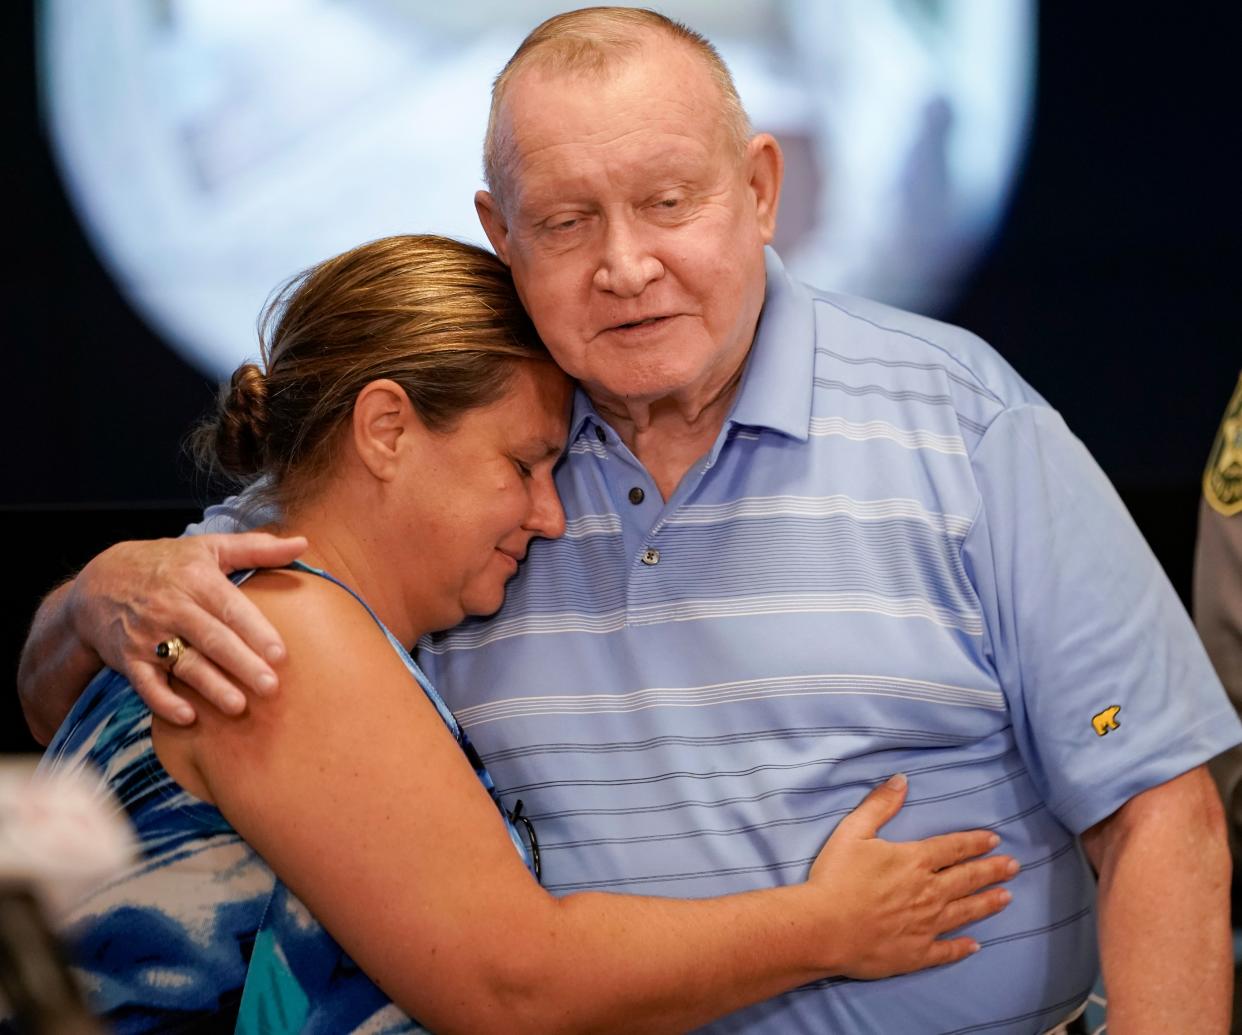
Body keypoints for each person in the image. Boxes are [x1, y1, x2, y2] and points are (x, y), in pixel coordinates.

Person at [18, 8, 1238, 1033]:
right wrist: (97, 591)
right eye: (565, 222)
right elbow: (112, 678)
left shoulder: (964, 423)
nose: (626, 265)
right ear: (500, 234)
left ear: (761, 190)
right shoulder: (434, 471)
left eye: (668, 202)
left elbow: (1159, 816)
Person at [21, 234, 1016, 1034]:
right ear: (386, 431)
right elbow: (513, 989)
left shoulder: (265, 607)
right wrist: (829, 924)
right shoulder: (289, 635)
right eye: (523, 464)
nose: (547, 515)